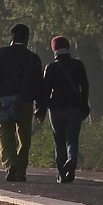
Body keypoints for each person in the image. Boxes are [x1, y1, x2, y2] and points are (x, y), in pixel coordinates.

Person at [0, 23, 45, 183]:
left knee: (5, 136)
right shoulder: (33, 58)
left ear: (11, 37)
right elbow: (39, 84)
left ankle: (10, 164)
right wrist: (40, 107)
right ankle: (20, 170)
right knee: (24, 138)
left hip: (4, 101)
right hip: (25, 102)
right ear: (27, 38)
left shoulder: (0, 54)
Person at [41, 35, 92, 183]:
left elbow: (45, 90)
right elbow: (85, 86)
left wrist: (41, 108)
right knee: (72, 139)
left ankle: (62, 174)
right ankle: (72, 160)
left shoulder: (51, 67)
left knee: (59, 140)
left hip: (56, 108)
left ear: (54, 50)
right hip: (74, 107)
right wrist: (84, 102)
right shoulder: (78, 65)